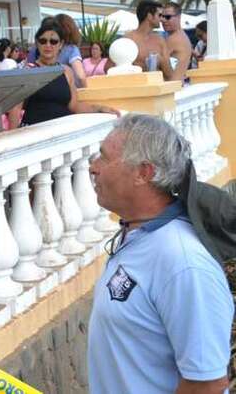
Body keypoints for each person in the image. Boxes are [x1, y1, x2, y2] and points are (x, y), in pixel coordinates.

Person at [87, 114, 233, 394]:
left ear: (143, 173)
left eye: (104, 158)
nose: (93, 167)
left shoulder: (184, 263)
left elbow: (207, 384)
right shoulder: (138, 234)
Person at [21, 20, 117, 126]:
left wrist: (99, 108)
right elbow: (16, 108)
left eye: (53, 41)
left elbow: (74, 106)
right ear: (37, 43)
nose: (48, 45)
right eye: (43, 41)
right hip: (36, 130)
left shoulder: (66, 71)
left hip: (63, 129)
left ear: (61, 44)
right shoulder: (28, 71)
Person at [27, 14, 87, 85]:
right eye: (43, 41)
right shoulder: (71, 50)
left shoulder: (35, 49)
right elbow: (80, 76)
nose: (48, 45)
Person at [124, 0, 170, 78]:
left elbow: (170, 75)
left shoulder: (160, 41)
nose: (162, 19)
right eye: (159, 15)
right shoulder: (127, 40)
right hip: (136, 84)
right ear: (149, 16)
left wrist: (161, 60)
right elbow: (111, 68)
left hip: (156, 84)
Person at [160, 2, 193, 81]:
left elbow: (158, 62)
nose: (163, 20)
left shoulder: (173, 39)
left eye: (168, 17)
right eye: (161, 16)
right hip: (178, 84)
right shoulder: (182, 35)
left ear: (179, 17)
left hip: (173, 85)